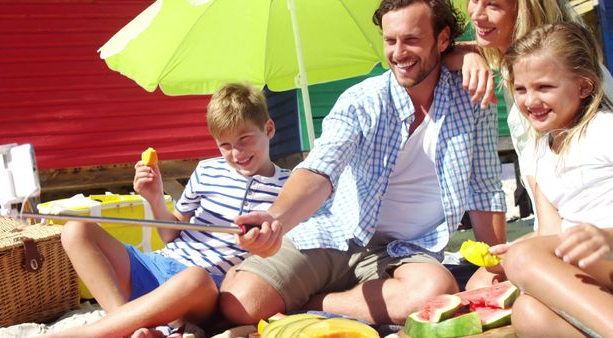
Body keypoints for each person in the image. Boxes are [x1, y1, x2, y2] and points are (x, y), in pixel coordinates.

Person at [219, 0, 507, 326]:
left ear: (442, 40)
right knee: (240, 303)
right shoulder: (363, 100)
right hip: (338, 234)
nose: (399, 53)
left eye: (411, 39)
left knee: (435, 290)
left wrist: (494, 261)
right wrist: (276, 219)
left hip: (407, 251)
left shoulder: (472, 97)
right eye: (390, 40)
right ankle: (351, 297)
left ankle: (318, 302)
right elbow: (319, 170)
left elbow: (484, 188)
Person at [42, 83, 290, 338]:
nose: (236, 153)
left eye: (244, 139)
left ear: (268, 129)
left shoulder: (291, 189)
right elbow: (172, 234)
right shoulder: (207, 170)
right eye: (225, 145)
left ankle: (103, 331)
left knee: (195, 277)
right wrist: (154, 198)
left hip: (205, 289)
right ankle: (126, 325)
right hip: (157, 265)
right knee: (76, 229)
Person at [463, 0, 613, 289]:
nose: (476, 14)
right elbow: (551, 220)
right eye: (472, 0)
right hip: (560, 243)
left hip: (597, 249)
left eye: (492, 4)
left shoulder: (599, 124)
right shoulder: (546, 143)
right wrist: (470, 54)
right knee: (483, 285)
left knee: (521, 263)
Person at [495, 22, 613, 337]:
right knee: (528, 313)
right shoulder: (542, 157)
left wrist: (608, 237)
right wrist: (509, 251)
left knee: (523, 259)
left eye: (544, 87)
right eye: (520, 89)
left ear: (584, 87)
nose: (530, 100)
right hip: (593, 275)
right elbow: (548, 233)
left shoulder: (603, 131)